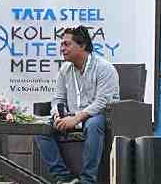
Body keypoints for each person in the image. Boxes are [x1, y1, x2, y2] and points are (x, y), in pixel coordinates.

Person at [36, 26, 120, 184]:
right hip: (70, 115)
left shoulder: (104, 68)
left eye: (67, 44)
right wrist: (57, 114)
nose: (62, 49)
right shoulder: (65, 69)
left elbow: (102, 102)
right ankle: (63, 177)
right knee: (40, 128)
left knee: (94, 124)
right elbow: (58, 99)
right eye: (62, 45)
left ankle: (87, 180)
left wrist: (76, 119)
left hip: (97, 115)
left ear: (82, 45)